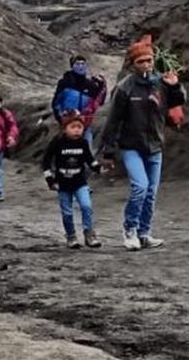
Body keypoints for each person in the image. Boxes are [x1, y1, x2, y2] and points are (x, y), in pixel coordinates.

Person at [100, 34, 186, 251]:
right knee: (140, 187)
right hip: (131, 146)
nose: (146, 64)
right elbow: (113, 121)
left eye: (149, 60)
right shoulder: (125, 88)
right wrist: (108, 152)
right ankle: (130, 229)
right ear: (133, 64)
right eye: (141, 61)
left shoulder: (160, 83)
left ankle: (144, 233)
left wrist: (175, 86)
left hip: (155, 145)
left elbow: (177, 102)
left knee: (151, 193)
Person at [43, 109, 102, 249]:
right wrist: (50, 180)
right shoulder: (57, 142)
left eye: (79, 127)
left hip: (80, 182)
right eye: (73, 127)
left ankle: (89, 234)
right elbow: (46, 161)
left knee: (86, 206)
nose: (77, 130)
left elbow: (89, 159)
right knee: (67, 212)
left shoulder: (83, 143)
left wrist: (98, 168)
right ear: (65, 128)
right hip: (63, 183)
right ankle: (71, 236)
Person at [52, 54, 107, 145]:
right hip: (67, 123)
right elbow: (56, 103)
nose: (81, 66)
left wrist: (102, 87)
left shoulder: (91, 85)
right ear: (72, 66)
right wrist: (60, 118)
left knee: (87, 147)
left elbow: (99, 102)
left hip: (85, 125)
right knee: (64, 148)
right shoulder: (65, 83)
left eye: (83, 64)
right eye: (77, 64)